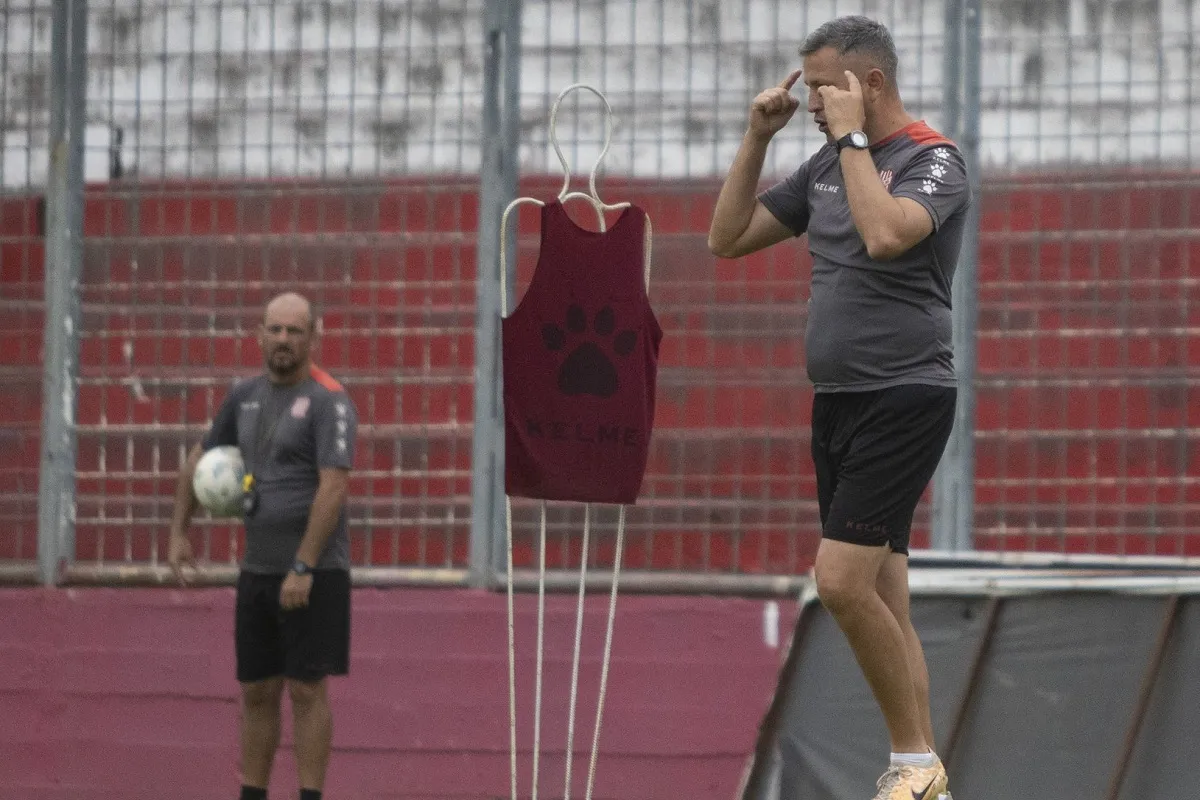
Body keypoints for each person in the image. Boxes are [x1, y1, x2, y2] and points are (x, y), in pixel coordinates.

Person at [708, 15, 970, 800]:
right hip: (840, 402)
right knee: (884, 590)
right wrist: (758, 139)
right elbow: (727, 239)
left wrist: (855, 144)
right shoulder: (824, 163)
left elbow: (888, 235)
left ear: (871, 84)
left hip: (906, 393)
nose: (813, 100)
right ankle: (920, 771)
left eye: (825, 85)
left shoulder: (934, 159)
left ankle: (916, 761)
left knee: (841, 581)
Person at [167, 292, 358, 800]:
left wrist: (305, 564)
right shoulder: (243, 396)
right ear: (258, 335)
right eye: (275, 330)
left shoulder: (330, 400)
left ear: (313, 337)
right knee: (256, 690)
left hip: (314, 572)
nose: (283, 340)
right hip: (257, 569)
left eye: (295, 331)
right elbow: (199, 458)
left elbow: (333, 485)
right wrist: (179, 532)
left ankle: (310, 795)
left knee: (307, 689)